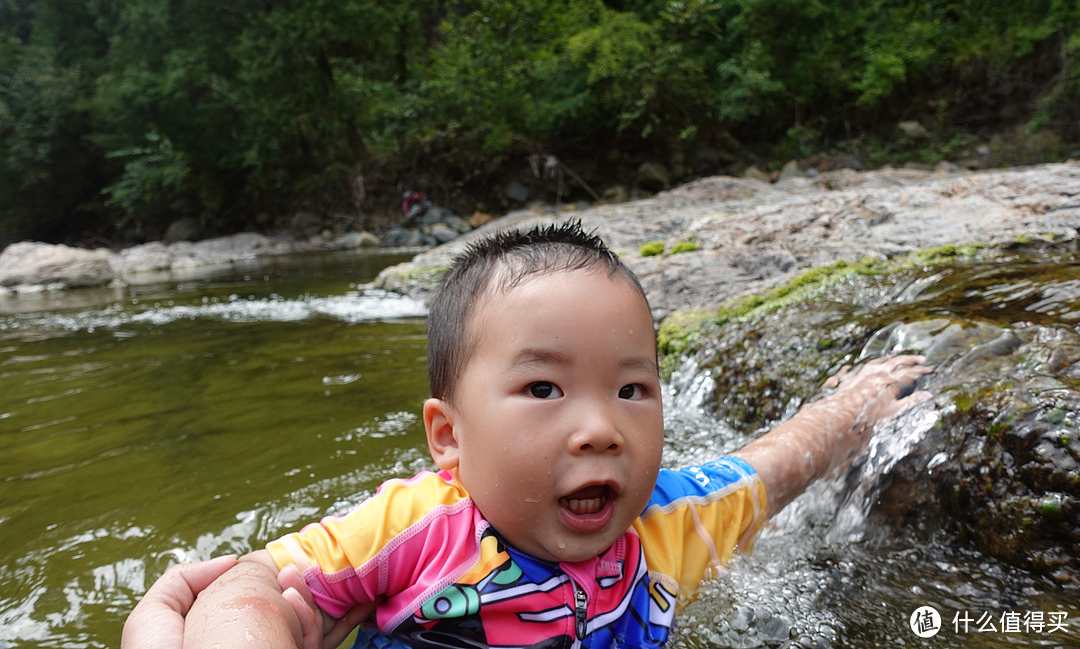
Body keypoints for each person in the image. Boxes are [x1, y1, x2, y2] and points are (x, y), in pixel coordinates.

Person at [127, 220, 933, 649]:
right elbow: (244, 587)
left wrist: (854, 407)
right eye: (543, 388)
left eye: (631, 389)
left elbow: (773, 469)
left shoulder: (669, 519)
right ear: (449, 437)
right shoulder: (416, 527)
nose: (601, 427)